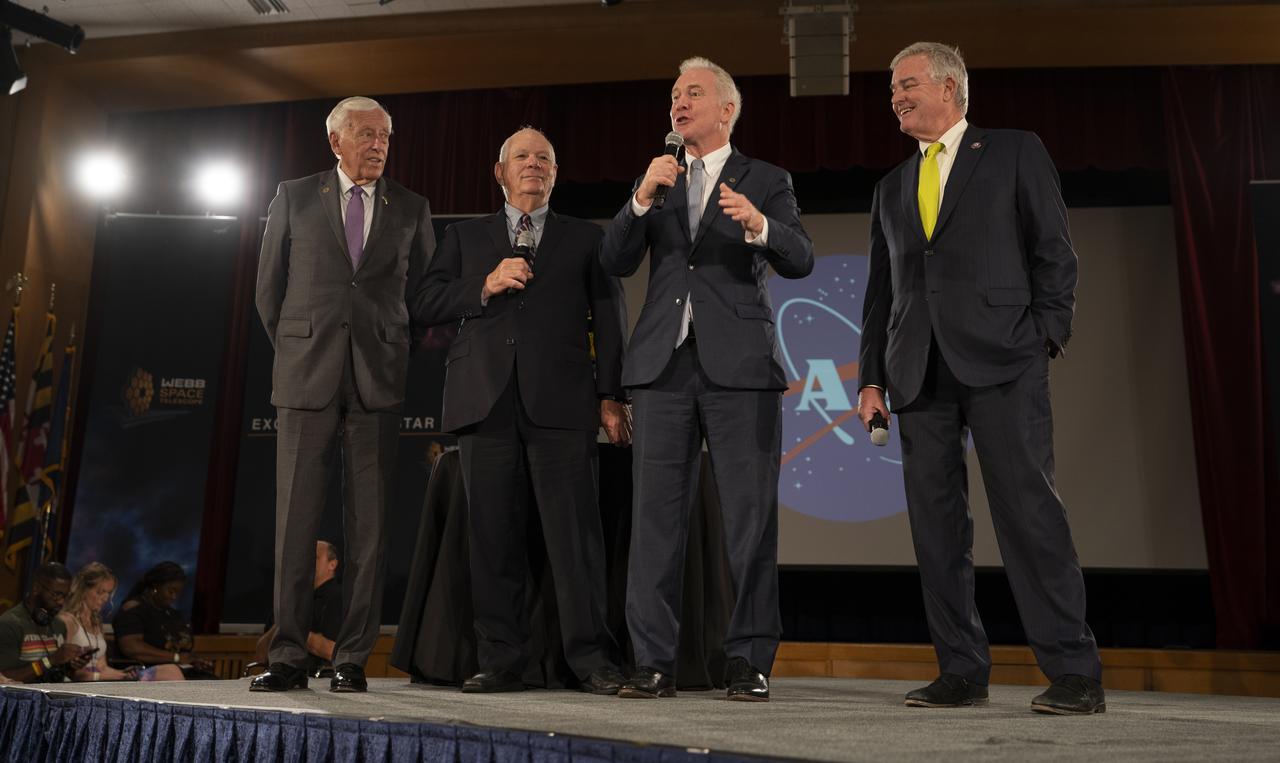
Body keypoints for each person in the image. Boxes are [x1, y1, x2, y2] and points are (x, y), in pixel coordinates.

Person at [856, 41, 1104, 715]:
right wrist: (871, 377)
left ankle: (1074, 670)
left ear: (949, 87)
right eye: (891, 88)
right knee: (938, 529)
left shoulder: (1015, 150)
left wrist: (1045, 334)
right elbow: (882, 294)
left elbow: (1055, 252)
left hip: (1004, 360)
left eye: (906, 83)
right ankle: (961, 669)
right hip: (917, 372)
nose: (896, 96)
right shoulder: (890, 188)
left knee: (1030, 514)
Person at [600, 57, 814, 702]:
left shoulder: (767, 179)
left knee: (749, 521)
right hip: (662, 369)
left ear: (727, 109)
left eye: (693, 93)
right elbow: (614, 259)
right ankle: (654, 662)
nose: (678, 103)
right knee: (655, 522)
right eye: (673, 94)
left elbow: (800, 257)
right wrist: (640, 197)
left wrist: (760, 224)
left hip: (739, 368)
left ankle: (747, 660)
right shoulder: (658, 179)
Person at [416, 127, 628, 694]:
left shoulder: (587, 238)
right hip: (483, 401)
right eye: (522, 158)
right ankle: (500, 660)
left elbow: (609, 316)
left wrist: (612, 394)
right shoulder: (464, 237)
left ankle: (591, 660)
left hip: (562, 404)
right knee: (492, 539)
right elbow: (424, 302)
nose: (533, 165)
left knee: (575, 540)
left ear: (555, 173)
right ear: (500, 172)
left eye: (544, 159)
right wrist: (484, 284)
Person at [253, 96, 436, 693]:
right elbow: (268, 293)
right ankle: (287, 654)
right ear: (335, 141)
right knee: (294, 522)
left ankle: (353, 657)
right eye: (365, 134)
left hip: (377, 380)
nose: (378, 145)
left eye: (385, 135)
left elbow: (425, 294)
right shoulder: (295, 196)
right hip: (306, 376)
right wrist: (301, 347)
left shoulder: (412, 207)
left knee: (371, 526)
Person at [114, 561, 214, 680]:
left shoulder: (172, 613)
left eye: (178, 593)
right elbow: (132, 647)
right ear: (155, 586)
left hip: (181, 671)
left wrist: (193, 661)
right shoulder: (134, 610)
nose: (174, 597)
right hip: (152, 674)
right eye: (171, 591)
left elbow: (183, 650)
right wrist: (176, 658)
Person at [253, 541, 342, 673]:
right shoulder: (290, 597)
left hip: (318, 680)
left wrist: (290, 627)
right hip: (277, 674)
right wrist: (281, 624)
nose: (308, 562)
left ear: (332, 564)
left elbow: (332, 652)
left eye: (315, 558)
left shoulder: (338, 598)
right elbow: (260, 655)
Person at [0, 562, 94, 683]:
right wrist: (50, 661)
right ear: (36, 588)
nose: (61, 602)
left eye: (65, 596)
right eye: (56, 594)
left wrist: (71, 665)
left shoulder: (58, 625)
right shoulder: (9, 624)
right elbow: (5, 678)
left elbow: (59, 673)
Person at [58, 562, 151, 681]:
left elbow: (102, 667)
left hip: (96, 682)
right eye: (100, 592)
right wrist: (121, 676)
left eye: (109, 593)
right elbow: (71, 671)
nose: (106, 598)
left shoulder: (97, 623)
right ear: (83, 589)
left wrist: (123, 672)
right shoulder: (67, 620)